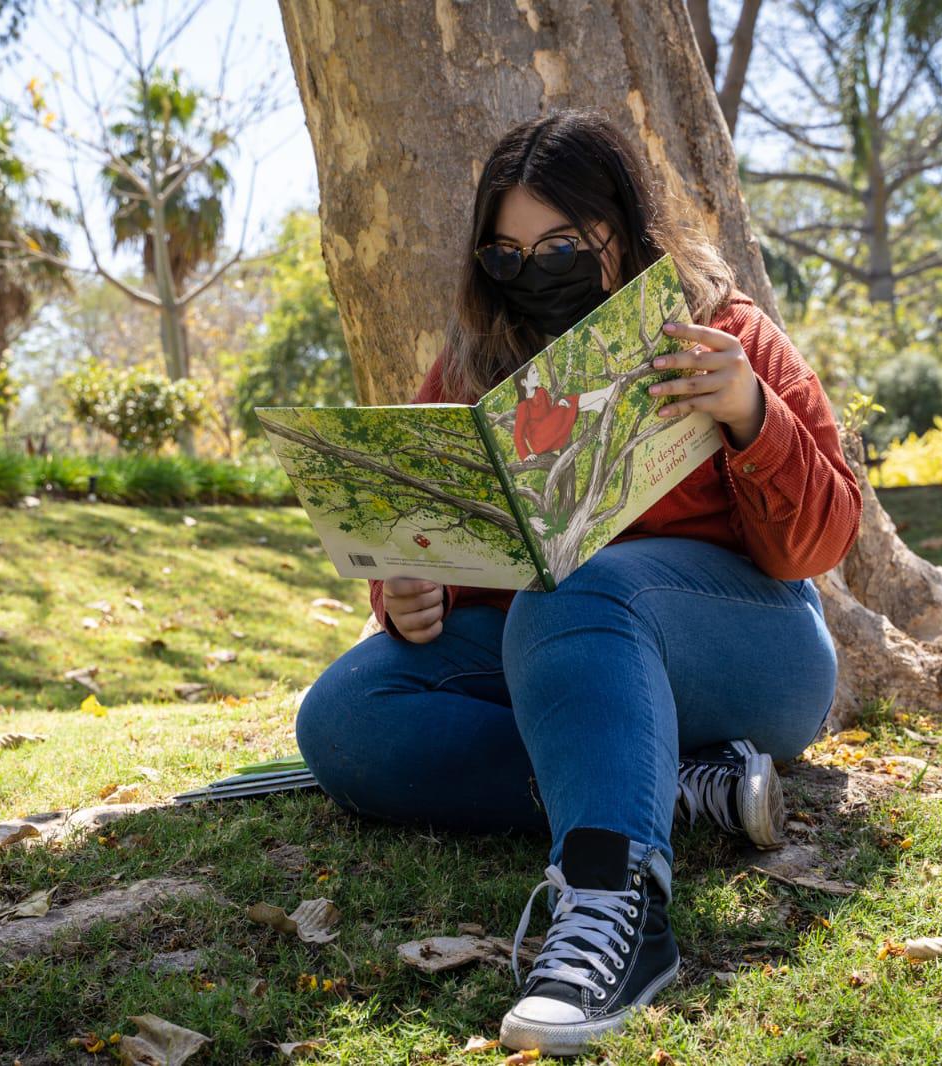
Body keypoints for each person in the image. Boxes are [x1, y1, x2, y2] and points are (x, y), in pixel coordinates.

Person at [294, 108, 861, 1057]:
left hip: (756, 652)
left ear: (623, 227)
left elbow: (818, 545)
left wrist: (752, 415)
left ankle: (617, 907)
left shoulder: (724, 332)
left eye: (562, 244)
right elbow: (457, 546)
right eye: (507, 255)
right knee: (347, 717)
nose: (534, 271)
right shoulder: (473, 367)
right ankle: (676, 785)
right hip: (564, 648)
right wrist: (408, 595)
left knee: (583, 584)